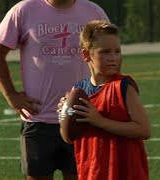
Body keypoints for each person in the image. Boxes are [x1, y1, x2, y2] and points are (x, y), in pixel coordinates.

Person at [0, 0, 108, 179]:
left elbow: (109, 53)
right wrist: (10, 94)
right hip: (38, 119)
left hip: (82, 118)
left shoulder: (93, 12)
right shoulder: (24, 10)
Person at [60, 20, 151, 180]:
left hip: (124, 170)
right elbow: (68, 137)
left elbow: (144, 129)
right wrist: (63, 115)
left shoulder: (123, 86)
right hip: (92, 170)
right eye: (105, 52)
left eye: (117, 51)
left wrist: (99, 121)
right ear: (86, 54)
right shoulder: (78, 90)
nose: (113, 58)